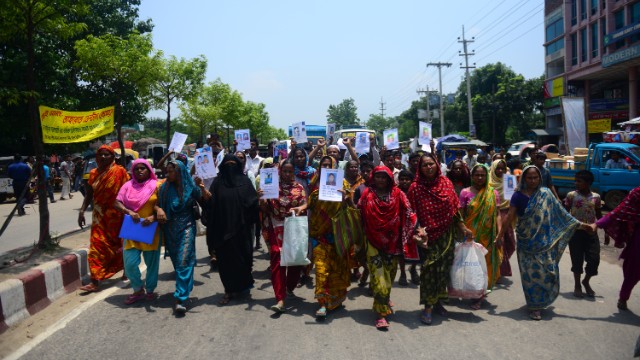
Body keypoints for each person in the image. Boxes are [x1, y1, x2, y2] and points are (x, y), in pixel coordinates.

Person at [495, 165, 593, 320]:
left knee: (548, 272)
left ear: (540, 178)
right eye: (529, 178)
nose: (533, 181)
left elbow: (562, 214)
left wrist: (581, 225)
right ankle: (534, 306)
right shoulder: (517, 196)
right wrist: (500, 235)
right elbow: (509, 217)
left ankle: (542, 300)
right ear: (524, 179)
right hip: (525, 242)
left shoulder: (546, 194)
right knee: (530, 276)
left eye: (535, 177)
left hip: (544, 243)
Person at [408, 153, 473, 325]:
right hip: (426, 237)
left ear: (437, 165)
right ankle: (428, 307)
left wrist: (463, 228)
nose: (429, 167)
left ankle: (437, 302)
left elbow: (455, 210)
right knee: (429, 271)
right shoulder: (415, 188)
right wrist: (418, 231)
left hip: (446, 235)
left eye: (431, 164)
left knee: (443, 271)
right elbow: (411, 214)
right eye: (425, 165)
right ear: (419, 169)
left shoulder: (446, 183)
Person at [356, 166, 417, 330]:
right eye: (378, 177)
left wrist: (416, 231)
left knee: (388, 277)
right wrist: (347, 201)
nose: (381, 180)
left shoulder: (398, 194)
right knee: (379, 280)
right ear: (373, 178)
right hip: (372, 243)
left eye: (384, 177)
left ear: (389, 178)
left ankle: (384, 299)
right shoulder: (367, 194)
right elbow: (358, 214)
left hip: (393, 244)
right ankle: (380, 314)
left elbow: (409, 212)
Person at [207, 154, 258, 305]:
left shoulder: (245, 182)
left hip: (242, 229)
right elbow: (210, 204)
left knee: (244, 259)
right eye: (227, 164)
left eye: (233, 164)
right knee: (225, 262)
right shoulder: (217, 183)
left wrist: (257, 199)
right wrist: (204, 193)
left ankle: (243, 286)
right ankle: (228, 290)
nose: (230, 168)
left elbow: (252, 202)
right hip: (223, 230)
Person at [78, 145, 129, 292]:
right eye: (101, 154)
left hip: (118, 215)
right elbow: (88, 195)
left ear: (113, 157)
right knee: (96, 246)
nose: (103, 157)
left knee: (119, 245)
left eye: (107, 154)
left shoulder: (120, 172)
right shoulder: (93, 173)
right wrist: (81, 211)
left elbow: (127, 192)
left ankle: (126, 269)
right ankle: (95, 281)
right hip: (99, 217)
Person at [157, 160, 206, 314]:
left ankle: (181, 298)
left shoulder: (190, 186)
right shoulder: (164, 187)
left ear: (179, 172)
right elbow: (157, 204)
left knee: (183, 260)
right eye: (167, 171)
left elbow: (205, 201)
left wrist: (203, 188)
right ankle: (184, 287)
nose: (168, 174)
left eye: (171, 171)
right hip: (169, 229)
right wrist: (159, 210)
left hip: (187, 227)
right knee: (179, 263)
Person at [114, 159, 164, 304]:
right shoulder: (127, 186)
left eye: (143, 168)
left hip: (151, 229)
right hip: (132, 229)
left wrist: (154, 217)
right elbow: (117, 202)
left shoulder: (158, 186)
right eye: (136, 169)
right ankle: (137, 289)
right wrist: (128, 211)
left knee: (152, 263)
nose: (140, 171)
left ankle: (150, 290)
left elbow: (164, 204)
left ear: (149, 170)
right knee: (129, 263)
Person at [260, 159, 307, 313]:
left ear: (293, 172)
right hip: (276, 227)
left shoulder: (299, 187)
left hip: (294, 227)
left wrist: (301, 207)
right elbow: (265, 208)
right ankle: (280, 298)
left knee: (295, 261)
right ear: (280, 172)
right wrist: (261, 198)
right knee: (277, 259)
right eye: (284, 171)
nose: (287, 174)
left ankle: (289, 287)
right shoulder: (271, 186)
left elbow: (305, 203)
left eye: (290, 171)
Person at [306, 156, 351, 319]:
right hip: (319, 237)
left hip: (338, 238)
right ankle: (323, 304)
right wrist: (300, 207)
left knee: (337, 271)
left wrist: (346, 198)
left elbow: (351, 207)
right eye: (323, 165)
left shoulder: (343, 185)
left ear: (334, 167)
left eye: (328, 165)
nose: (326, 168)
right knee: (320, 270)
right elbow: (309, 204)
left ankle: (335, 300)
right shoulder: (315, 186)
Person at [459, 164, 502, 309]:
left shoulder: (492, 193)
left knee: (486, 265)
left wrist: (499, 234)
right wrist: (463, 230)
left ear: (487, 176)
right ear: (472, 176)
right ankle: (474, 292)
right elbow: (462, 215)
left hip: (488, 236)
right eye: (476, 175)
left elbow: (497, 214)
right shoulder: (465, 193)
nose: (479, 178)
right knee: (473, 266)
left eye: (482, 175)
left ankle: (480, 295)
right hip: (471, 236)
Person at [593, 186, 640, 310]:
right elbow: (619, 211)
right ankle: (623, 297)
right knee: (633, 270)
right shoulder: (637, 193)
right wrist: (598, 224)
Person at [563, 170, 602, 299]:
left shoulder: (596, 197)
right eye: (576, 180)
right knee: (577, 260)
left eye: (579, 181)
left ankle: (586, 281)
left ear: (588, 183)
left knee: (594, 260)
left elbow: (599, 215)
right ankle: (577, 285)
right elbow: (565, 214)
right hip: (575, 233)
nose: (576, 183)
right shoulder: (571, 195)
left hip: (591, 233)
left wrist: (606, 232)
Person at [489, 160, 516, 278]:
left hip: (508, 213)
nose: (500, 171)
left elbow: (514, 198)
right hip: (493, 214)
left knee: (511, 243)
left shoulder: (509, 180)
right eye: (497, 168)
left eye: (502, 169)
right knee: (500, 243)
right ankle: (499, 270)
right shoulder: (488, 183)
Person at [397, 169, 419, 286]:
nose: (404, 182)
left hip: (414, 223)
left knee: (416, 248)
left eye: (407, 179)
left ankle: (413, 269)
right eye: (402, 179)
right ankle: (402, 274)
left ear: (411, 181)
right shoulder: (396, 191)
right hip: (400, 224)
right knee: (401, 251)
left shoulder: (416, 191)